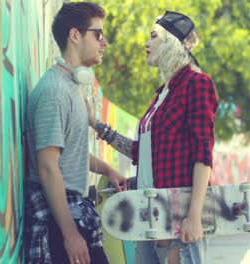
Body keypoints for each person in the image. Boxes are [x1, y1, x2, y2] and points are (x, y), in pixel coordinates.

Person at [88, 10, 219, 264]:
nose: (146, 44)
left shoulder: (196, 83)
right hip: (147, 218)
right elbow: (141, 153)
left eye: (153, 36)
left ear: (172, 41)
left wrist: (195, 216)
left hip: (178, 222)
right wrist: (97, 125)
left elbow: (203, 154)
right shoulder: (162, 95)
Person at [23, 2, 128, 264]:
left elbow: (69, 152)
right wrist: (70, 235)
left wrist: (107, 170)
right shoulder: (55, 92)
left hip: (72, 214)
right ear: (75, 35)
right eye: (98, 34)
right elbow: (48, 167)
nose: (104, 43)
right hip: (59, 222)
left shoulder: (72, 87)